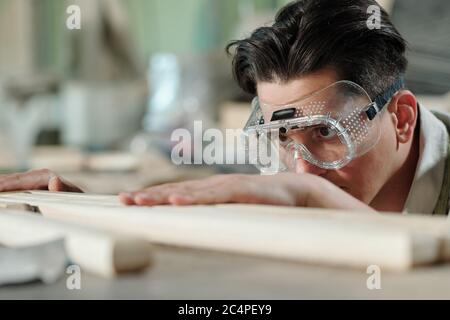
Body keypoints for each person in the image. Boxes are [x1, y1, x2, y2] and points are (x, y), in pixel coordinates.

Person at [1, 0, 449, 214]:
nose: (302, 170)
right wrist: (94, 215)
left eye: (327, 132)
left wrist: (314, 198)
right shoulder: (298, 177)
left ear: (402, 119)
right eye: (280, 137)